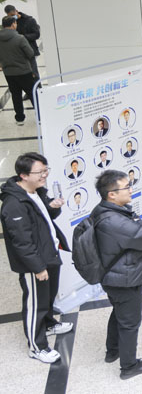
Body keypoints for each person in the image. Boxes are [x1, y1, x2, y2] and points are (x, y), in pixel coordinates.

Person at [0, 153, 71, 364]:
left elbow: (44, 218)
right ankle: (36, 347)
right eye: (40, 172)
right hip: (35, 263)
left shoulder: (36, 191)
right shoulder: (14, 204)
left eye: (46, 170)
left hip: (50, 253)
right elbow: (22, 242)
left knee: (48, 296)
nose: (45, 175)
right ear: (23, 175)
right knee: (36, 304)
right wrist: (38, 267)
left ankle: (48, 324)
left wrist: (53, 208)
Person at [91, 170, 142, 379]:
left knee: (119, 312)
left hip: (113, 275)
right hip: (124, 278)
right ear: (111, 194)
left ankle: (113, 351)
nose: (131, 190)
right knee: (130, 322)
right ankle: (129, 366)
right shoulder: (114, 221)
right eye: (126, 187)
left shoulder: (103, 210)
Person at [0, 15, 36, 126]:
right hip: (24, 71)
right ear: (13, 25)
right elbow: (30, 53)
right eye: (15, 23)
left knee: (16, 95)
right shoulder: (20, 38)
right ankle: (40, 116)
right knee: (32, 94)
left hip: (9, 73)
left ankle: (20, 119)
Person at [4, 5, 40, 77]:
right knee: (22, 75)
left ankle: (37, 84)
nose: (12, 17)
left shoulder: (30, 20)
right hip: (17, 53)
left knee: (33, 73)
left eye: (13, 15)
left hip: (30, 50)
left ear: (16, 11)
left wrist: (23, 37)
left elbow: (36, 34)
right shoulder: (10, 23)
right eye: (10, 16)